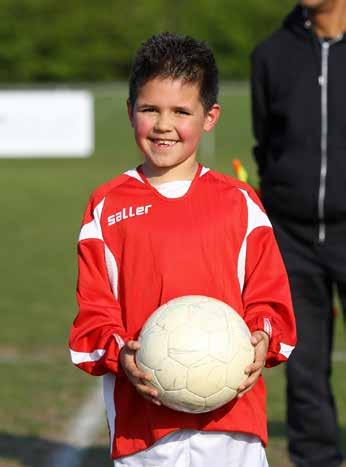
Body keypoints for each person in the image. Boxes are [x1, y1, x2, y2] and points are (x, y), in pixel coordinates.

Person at [69, 32, 296, 467]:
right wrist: (121, 354)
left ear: (210, 117)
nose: (163, 125)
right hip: (144, 431)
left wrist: (262, 336)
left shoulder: (239, 202)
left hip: (233, 427)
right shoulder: (106, 205)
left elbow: (271, 301)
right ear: (130, 110)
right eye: (150, 109)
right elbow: (91, 320)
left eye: (181, 111)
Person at [251, 2, 346, 466]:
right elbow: (265, 142)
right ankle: (316, 459)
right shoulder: (270, 54)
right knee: (304, 368)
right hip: (292, 237)